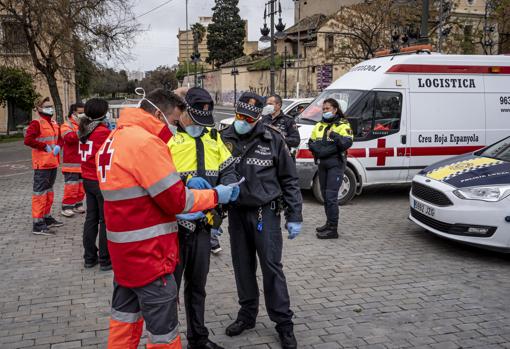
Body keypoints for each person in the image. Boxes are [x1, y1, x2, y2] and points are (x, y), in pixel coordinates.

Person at [97, 88, 236, 349]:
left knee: (124, 322)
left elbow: (142, 189)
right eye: (173, 120)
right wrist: (215, 195)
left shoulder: (115, 138)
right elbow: (176, 200)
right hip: (151, 254)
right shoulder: (145, 143)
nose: (171, 127)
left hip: (125, 255)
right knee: (163, 334)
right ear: (159, 114)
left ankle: (199, 336)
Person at [221, 92, 303, 349]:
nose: (242, 121)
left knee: (271, 267)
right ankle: (247, 315)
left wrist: (294, 215)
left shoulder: (273, 139)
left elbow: (289, 179)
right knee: (242, 267)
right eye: (239, 115)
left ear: (258, 118)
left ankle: (284, 324)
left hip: (264, 213)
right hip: (236, 213)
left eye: (248, 117)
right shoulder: (225, 139)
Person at [168, 87, 238, 349]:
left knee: (197, 287)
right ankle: (169, 341)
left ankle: (198, 339)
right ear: (184, 113)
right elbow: (156, 179)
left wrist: (229, 187)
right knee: (169, 292)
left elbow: (228, 167)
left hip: (203, 226)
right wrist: (185, 179)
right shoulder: (167, 138)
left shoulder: (213, 136)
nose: (200, 126)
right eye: (196, 120)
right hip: (173, 227)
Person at [308, 98, 353, 239]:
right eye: (324, 109)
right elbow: (311, 143)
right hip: (322, 164)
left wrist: (333, 135)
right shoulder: (319, 125)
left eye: (327, 108)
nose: (325, 111)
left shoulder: (343, 125)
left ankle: (333, 229)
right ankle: (328, 223)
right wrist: (326, 149)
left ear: (335, 109)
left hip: (336, 164)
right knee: (325, 196)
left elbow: (346, 143)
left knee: (331, 197)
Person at [78, 98, 112, 270]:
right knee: (104, 220)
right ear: (103, 113)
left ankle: (89, 257)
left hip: (87, 179)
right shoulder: (102, 132)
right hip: (100, 181)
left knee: (91, 218)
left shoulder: (83, 129)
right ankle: (105, 259)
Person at [24, 97, 64, 235]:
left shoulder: (53, 122)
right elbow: (28, 140)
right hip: (42, 164)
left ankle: (46, 217)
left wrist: (59, 145)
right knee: (40, 194)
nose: (50, 108)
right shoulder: (37, 123)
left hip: (52, 162)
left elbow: (59, 138)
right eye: (47, 106)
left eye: (51, 106)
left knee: (48, 193)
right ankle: (38, 223)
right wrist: (43, 146)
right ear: (39, 108)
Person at [60, 103, 86, 218]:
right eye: (80, 113)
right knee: (71, 186)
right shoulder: (67, 125)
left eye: (83, 112)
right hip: (71, 163)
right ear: (73, 113)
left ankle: (78, 204)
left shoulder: (84, 124)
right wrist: (82, 130)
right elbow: (69, 138)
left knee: (81, 186)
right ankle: (67, 207)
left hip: (83, 162)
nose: (82, 115)